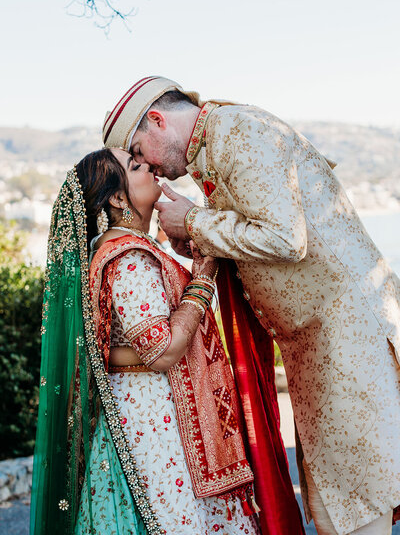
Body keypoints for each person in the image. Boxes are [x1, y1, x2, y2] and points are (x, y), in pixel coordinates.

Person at [102, 76, 400, 535]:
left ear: (158, 120)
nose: (149, 169)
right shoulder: (217, 145)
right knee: (340, 509)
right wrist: (195, 236)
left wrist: (197, 221)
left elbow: (286, 239)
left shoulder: (237, 131)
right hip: (320, 348)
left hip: (345, 340)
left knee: (358, 509)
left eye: (140, 152)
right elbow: (256, 240)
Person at [30, 148, 304, 534]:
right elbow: (162, 350)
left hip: (145, 410)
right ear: (118, 197)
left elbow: (111, 346)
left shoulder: (115, 249)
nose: (152, 170)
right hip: (154, 424)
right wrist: (204, 277)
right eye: (137, 167)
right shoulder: (128, 257)